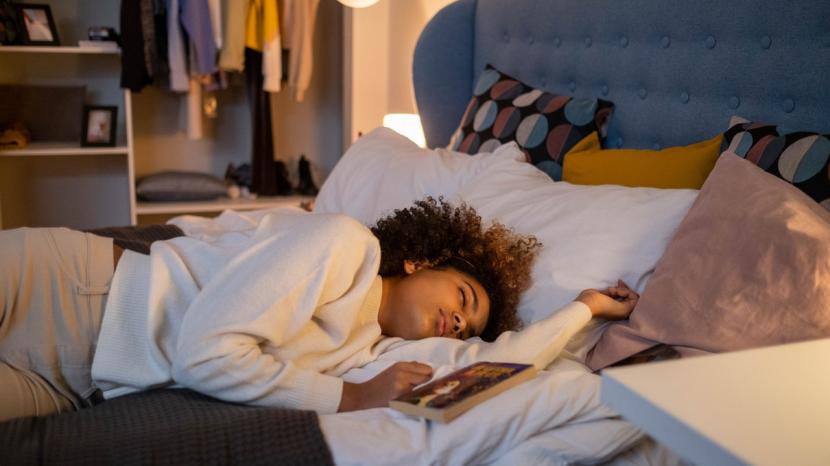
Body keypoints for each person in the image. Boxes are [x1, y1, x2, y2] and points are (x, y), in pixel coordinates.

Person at [0, 197, 637, 422]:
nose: (460, 322)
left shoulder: (372, 352)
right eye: (462, 298)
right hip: (65, 290)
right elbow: (202, 356)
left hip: (79, 385)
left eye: (467, 326)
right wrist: (354, 400)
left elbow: (499, 366)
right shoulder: (344, 245)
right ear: (420, 261)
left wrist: (582, 309)